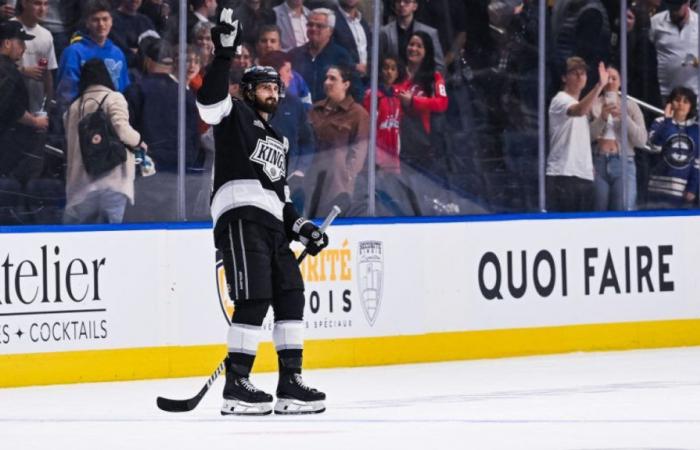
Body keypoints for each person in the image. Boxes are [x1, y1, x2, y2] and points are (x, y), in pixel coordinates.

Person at [196, 6, 329, 415]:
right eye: (265, 87)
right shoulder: (233, 113)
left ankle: (290, 383)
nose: (273, 92)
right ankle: (237, 385)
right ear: (248, 90)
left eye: (275, 87)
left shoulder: (280, 140)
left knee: (290, 295)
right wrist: (223, 54)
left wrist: (302, 227)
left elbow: (281, 199)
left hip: (272, 225)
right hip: (240, 217)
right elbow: (207, 102)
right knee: (253, 298)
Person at [124, 38, 198, 222]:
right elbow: (193, 136)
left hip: (147, 172)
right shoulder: (185, 93)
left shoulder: (136, 90)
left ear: (147, 61)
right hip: (179, 173)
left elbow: (128, 132)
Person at [63, 59, 143, 224]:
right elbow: (122, 129)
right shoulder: (113, 98)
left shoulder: (72, 108)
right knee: (110, 240)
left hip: (80, 189)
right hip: (112, 183)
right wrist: (139, 141)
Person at [395, 30, 448, 215]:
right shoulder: (396, 73)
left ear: (427, 51)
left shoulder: (434, 77)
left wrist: (414, 102)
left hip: (422, 143)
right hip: (397, 141)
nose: (413, 49)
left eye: (419, 46)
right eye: (411, 44)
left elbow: (442, 102)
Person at [546, 57, 608, 212]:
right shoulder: (560, 100)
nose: (580, 77)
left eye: (583, 73)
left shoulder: (582, 105)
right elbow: (579, 110)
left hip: (583, 175)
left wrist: (588, 164)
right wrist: (599, 86)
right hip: (563, 175)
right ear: (564, 77)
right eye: (575, 73)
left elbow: (581, 137)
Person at [306, 65, 369, 217]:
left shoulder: (357, 114)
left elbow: (359, 151)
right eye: (326, 78)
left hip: (338, 184)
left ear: (346, 85)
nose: (327, 82)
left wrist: (347, 177)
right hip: (313, 179)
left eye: (333, 79)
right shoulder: (315, 109)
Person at [589, 66, 648, 211]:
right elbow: (585, 137)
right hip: (598, 162)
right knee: (598, 213)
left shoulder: (630, 106)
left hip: (624, 162)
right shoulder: (592, 104)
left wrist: (624, 117)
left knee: (624, 210)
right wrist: (602, 117)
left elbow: (641, 140)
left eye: (614, 78)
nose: (610, 81)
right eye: (607, 78)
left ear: (620, 82)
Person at [55, 0, 130, 110]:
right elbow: (65, 93)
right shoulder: (73, 52)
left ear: (111, 21)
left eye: (105, 19)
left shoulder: (118, 53)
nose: (101, 24)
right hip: (81, 115)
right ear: (87, 23)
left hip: (113, 114)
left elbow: (124, 89)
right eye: (95, 20)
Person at [645, 86, 699, 209]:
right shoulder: (659, 122)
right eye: (677, 100)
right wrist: (668, 121)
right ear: (670, 103)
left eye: (686, 102)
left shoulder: (696, 130)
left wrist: (692, 188)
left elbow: (697, 163)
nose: (681, 104)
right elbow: (655, 147)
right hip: (657, 188)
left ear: (691, 106)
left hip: (682, 191)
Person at [288, 8, 359, 102]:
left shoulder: (341, 56)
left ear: (330, 31)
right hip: (300, 112)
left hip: (330, 113)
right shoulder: (294, 55)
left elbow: (356, 89)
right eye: (310, 25)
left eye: (319, 26)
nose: (313, 28)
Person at [649, 0, 699, 98]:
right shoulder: (656, 22)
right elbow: (647, 52)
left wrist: (696, 61)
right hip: (664, 92)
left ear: (687, 3)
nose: (673, 11)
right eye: (671, 6)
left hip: (694, 95)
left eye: (677, 7)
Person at [379, 0, 444, 74]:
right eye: (398, 1)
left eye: (407, 1)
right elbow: (378, 62)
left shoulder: (429, 33)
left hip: (421, 82)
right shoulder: (384, 32)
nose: (402, 4)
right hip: (393, 81)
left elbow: (439, 65)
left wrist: (427, 80)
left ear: (415, 6)